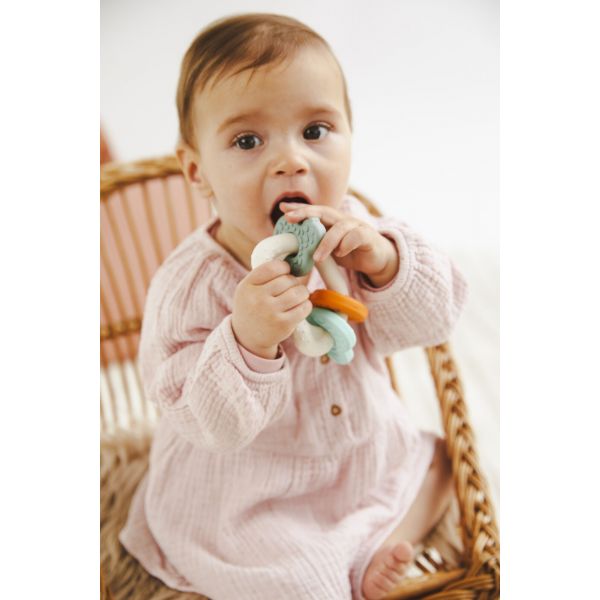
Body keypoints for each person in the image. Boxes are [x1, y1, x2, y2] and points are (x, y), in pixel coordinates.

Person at [119, 13, 467, 600]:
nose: (291, 161)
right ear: (197, 171)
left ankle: (379, 542)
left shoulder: (354, 231)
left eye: (315, 130)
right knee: (301, 585)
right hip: (251, 495)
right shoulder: (190, 285)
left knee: (441, 464)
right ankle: (339, 570)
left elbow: (436, 319)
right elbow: (199, 419)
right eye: (248, 141)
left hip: (359, 455)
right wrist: (247, 340)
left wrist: (384, 262)